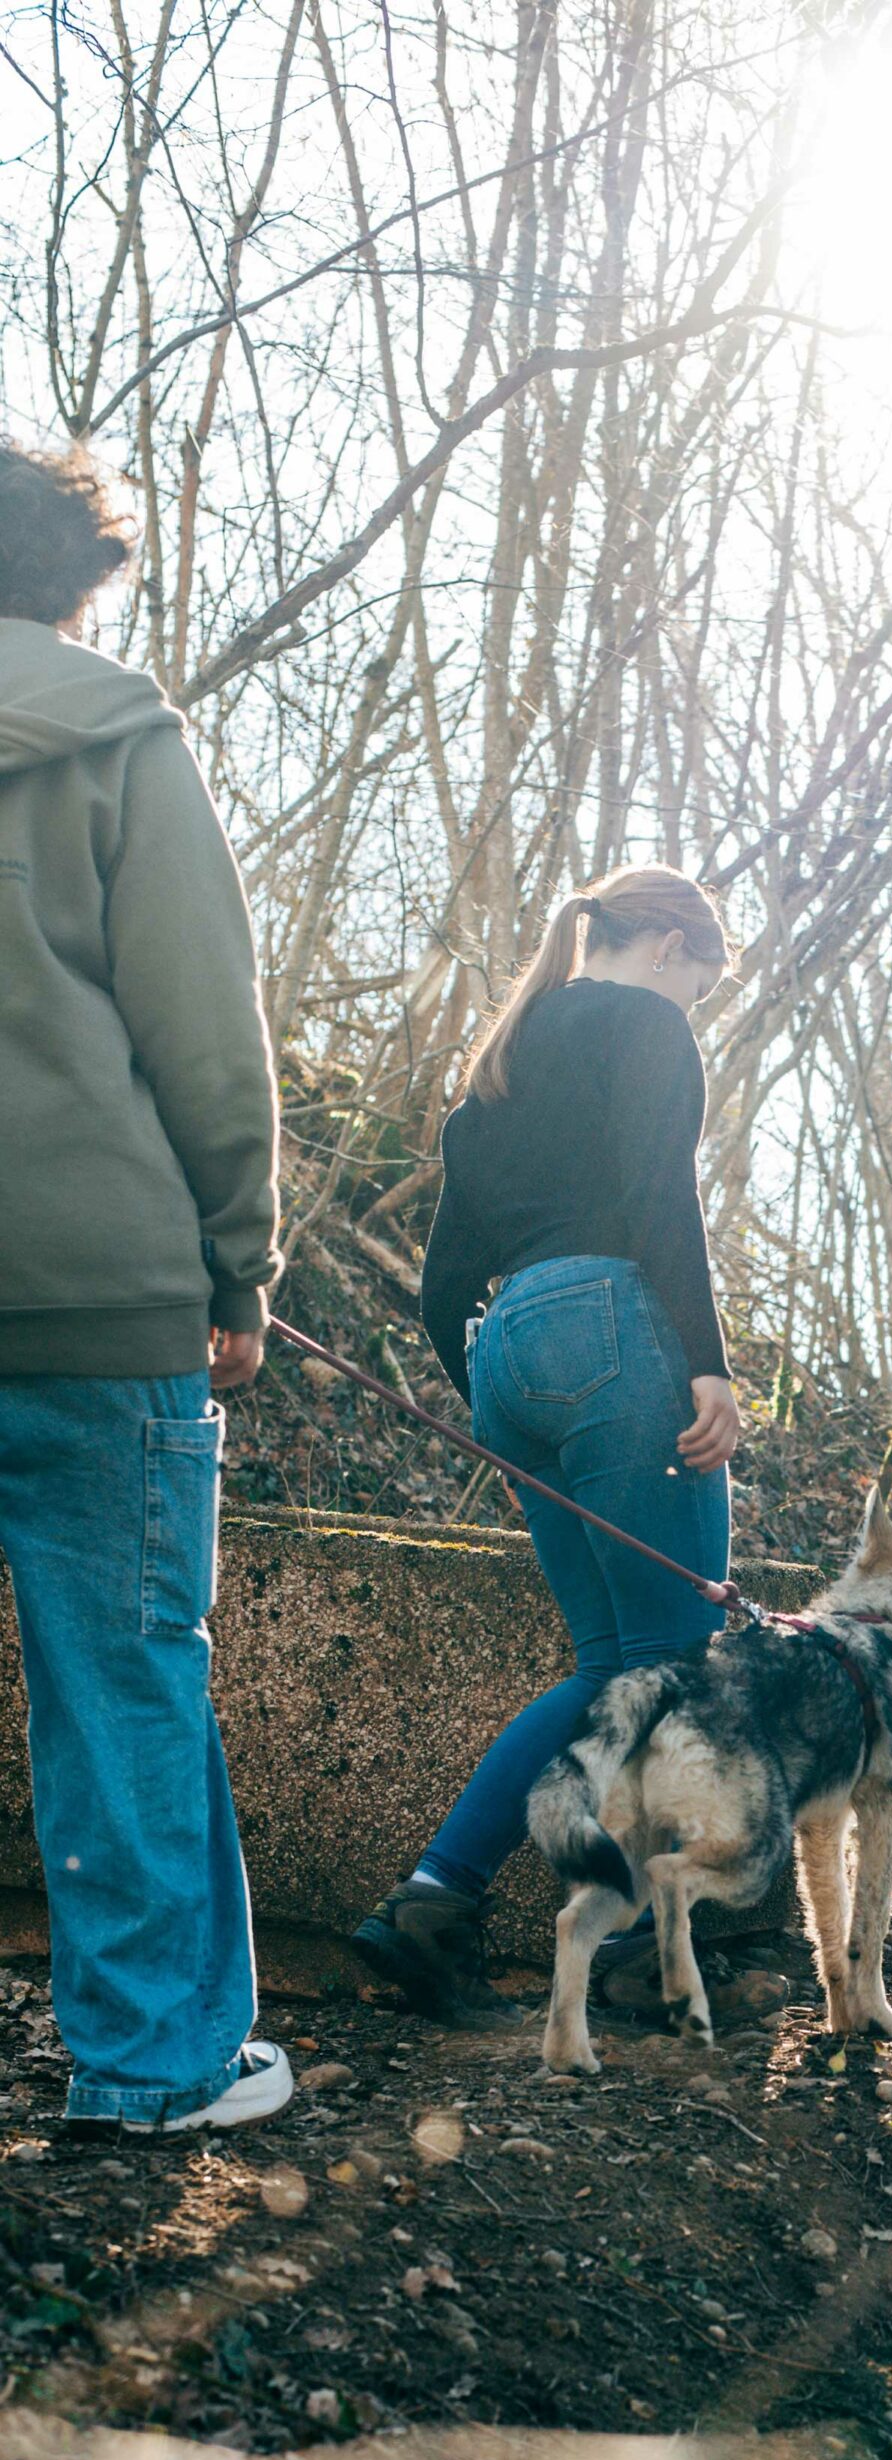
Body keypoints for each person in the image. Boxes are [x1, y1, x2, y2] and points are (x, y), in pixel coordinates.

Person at [0, 446, 291, 2128]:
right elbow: (202, 1025)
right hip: (99, 1296)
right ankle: (153, 2065)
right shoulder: (116, 735)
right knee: (122, 1684)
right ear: (70, 583)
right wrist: (237, 1260)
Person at [355, 866, 740, 2023]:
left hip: (506, 1358)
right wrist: (707, 1361)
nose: (693, 1004)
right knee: (678, 1650)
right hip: (614, 1331)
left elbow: (442, 1290)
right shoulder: (645, 1024)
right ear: (666, 943)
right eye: (700, 982)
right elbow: (661, 1196)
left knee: (609, 1661)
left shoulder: (493, 1075)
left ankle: (433, 1903)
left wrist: (502, 1401)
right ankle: (648, 1951)